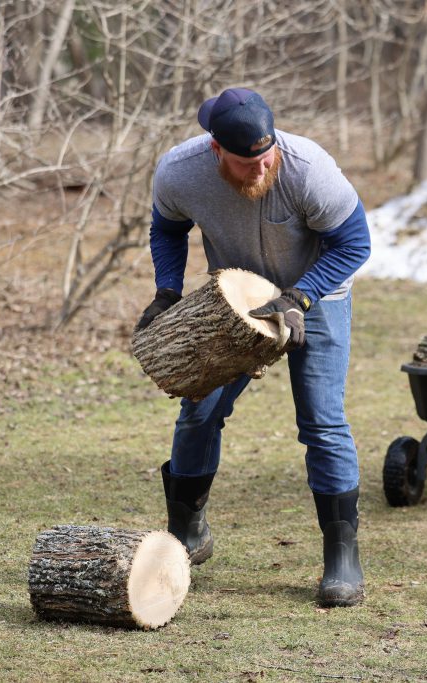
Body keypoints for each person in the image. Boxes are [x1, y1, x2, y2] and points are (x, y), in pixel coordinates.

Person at [134, 87, 371, 607]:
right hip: (234, 299)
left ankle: (341, 560)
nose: (259, 171)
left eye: (266, 159)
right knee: (198, 412)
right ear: (216, 150)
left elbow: (356, 243)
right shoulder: (179, 171)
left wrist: (300, 297)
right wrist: (168, 291)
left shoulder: (309, 169)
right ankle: (187, 534)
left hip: (318, 293)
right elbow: (167, 230)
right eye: (246, 164)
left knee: (322, 423)